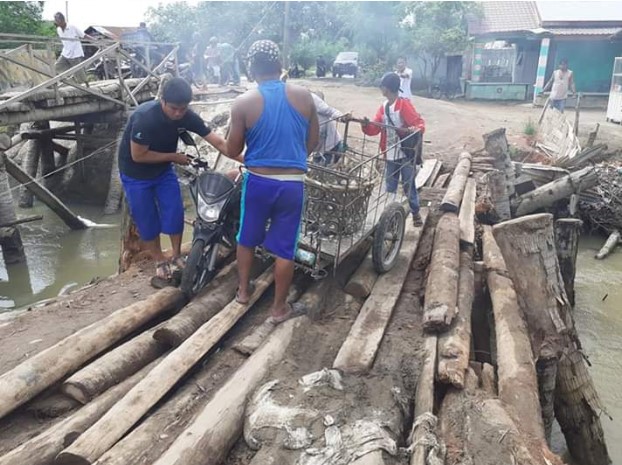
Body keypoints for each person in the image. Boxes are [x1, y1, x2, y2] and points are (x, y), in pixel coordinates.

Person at [227, 39, 319, 323]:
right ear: (280, 67)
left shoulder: (243, 102)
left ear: (251, 69)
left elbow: (232, 151)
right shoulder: (305, 97)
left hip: (258, 183)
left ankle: (243, 292)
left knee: (247, 237)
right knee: (285, 247)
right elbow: (312, 144)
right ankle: (279, 309)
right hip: (292, 185)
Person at [118, 77, 235, 283]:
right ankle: (159, 260)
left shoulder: (185, 116)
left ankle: (176, 254)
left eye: (183, 109)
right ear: (162, 100)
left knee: (174, 210)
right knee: (147, 219)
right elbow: (139, 156)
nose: (178, 114)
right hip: (135, 173)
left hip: (162, 171)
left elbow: (216, 140)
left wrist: (244, 158)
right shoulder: (145, 118)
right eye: (173, 108)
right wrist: (174, 157)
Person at [360, 72, 425, 226]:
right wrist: (365, 124)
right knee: (390, 186)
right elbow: (375, 128)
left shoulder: (404, 105)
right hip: (390, 152)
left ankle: (415, 212)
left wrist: (413, 129)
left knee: (408, 184)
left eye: (382, 86)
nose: (381, 89)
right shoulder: (384, 107)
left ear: (387, 88)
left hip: (405, 152)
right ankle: (390, 217)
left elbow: (420, 124)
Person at [53, 12, 92, 85]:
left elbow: (83, 35)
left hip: (75, 53)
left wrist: (95, 40)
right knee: (57, 66)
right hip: (65, 52)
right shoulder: (58, 29)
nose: (56, 22)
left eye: (57, 20)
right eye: (55, 20)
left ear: (62, 20)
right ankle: (67, 80)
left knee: (79, 72)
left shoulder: (72, 27)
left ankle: (86, 85)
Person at [311, 90, 346, 166]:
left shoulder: (314, 102)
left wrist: (342, 117)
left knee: (325, 172)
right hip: (318, 150)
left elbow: (331, 111)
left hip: (331, 146)